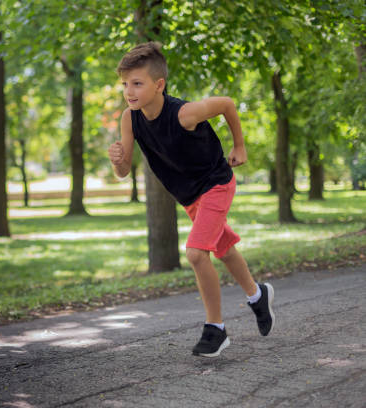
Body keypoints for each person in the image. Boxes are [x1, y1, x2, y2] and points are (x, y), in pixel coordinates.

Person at [108, 42, 275, 357]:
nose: (129, 91)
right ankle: (257, 296)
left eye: (137, 83)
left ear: (159, 85)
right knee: (223, 249)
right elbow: (123, 171)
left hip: (216, 183)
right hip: (190, 196)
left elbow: (226, 103)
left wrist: (240, 147)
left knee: (197, 253)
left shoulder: (185, 114)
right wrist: (117, 160)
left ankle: (216, 329)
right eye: (125, 84)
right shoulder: (130, 119)